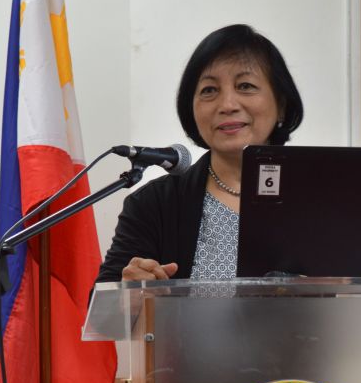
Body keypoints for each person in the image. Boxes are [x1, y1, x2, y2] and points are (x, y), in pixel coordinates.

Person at [96, 24, 303, 284]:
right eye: (209, 90)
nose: (227, 104)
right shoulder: (155, 204)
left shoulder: (324, 197)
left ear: (281, 104)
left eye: (246, 85)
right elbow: (104, 315)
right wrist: (129, 292)